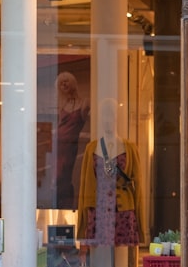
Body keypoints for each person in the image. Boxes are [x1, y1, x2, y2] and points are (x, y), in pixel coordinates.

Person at [76, 98, 145, 246]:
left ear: (117, 118)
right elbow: (85, 187)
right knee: (101, 260)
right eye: (104, 116)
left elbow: (138, 188)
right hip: (98, 211)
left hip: (124, 213)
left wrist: (141, 226)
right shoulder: (92, 148)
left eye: (111, 115)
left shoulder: (130, 148)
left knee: (121, 258)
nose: (107, 120)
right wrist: (82, 228)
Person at [56, 71, 89, 209]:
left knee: (66, 176)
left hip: (71, 147)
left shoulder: (84, 103)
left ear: (73, 82)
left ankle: (68, 206)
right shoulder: (61, 105)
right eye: (61, 82)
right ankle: (60, 206)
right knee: (57, 178)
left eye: (66, 81)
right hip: (58, 146)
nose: (64, 84)